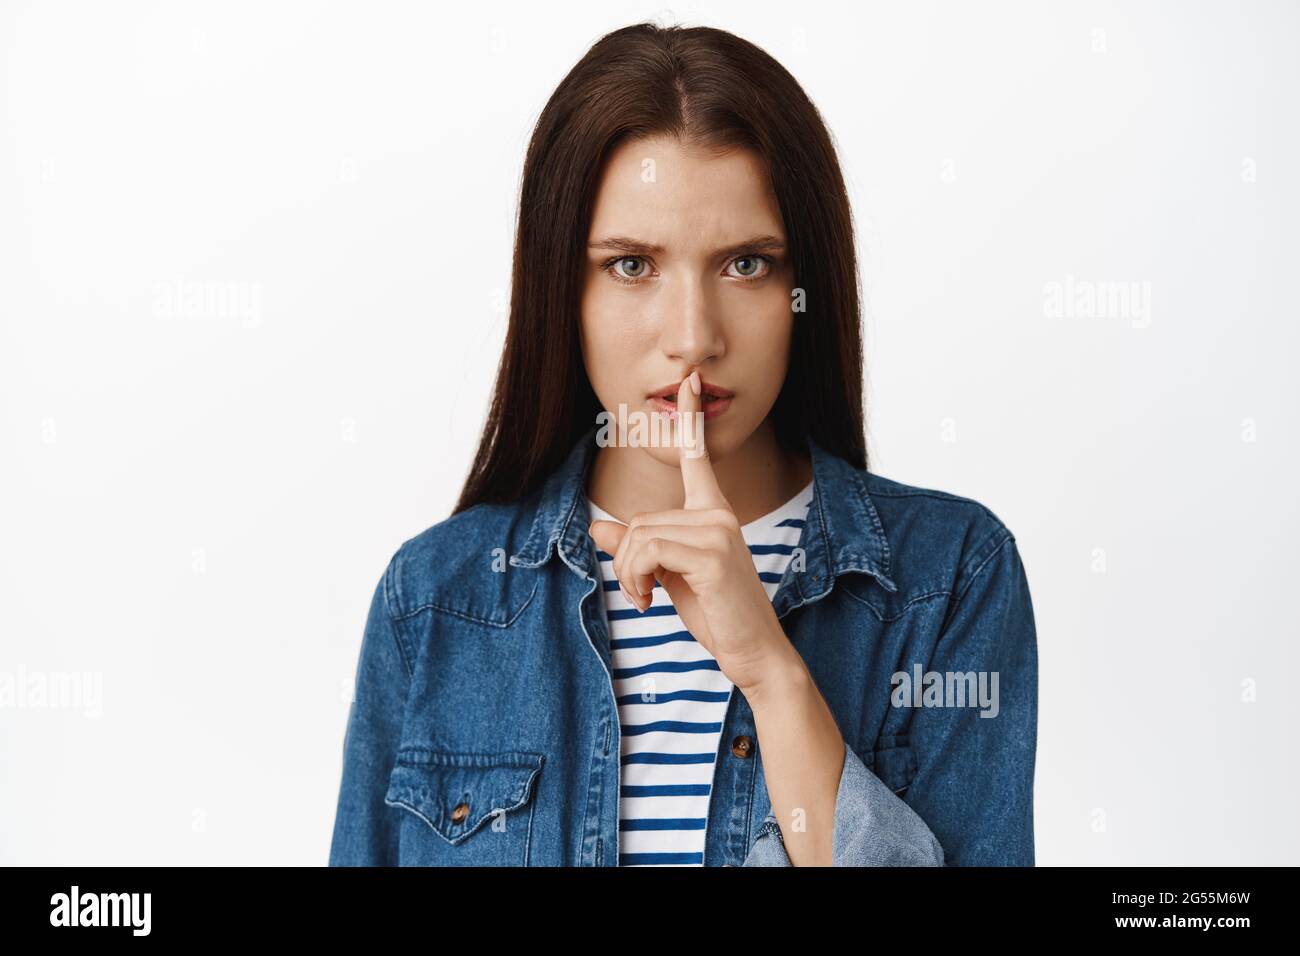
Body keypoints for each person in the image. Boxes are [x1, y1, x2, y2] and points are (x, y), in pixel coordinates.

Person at [328, 21, 1037, 867]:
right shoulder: (435, 601)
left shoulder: (949, 581)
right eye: (632, 265)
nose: (693, 337)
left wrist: (771, 673)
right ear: (562, 288)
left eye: (747, 265)